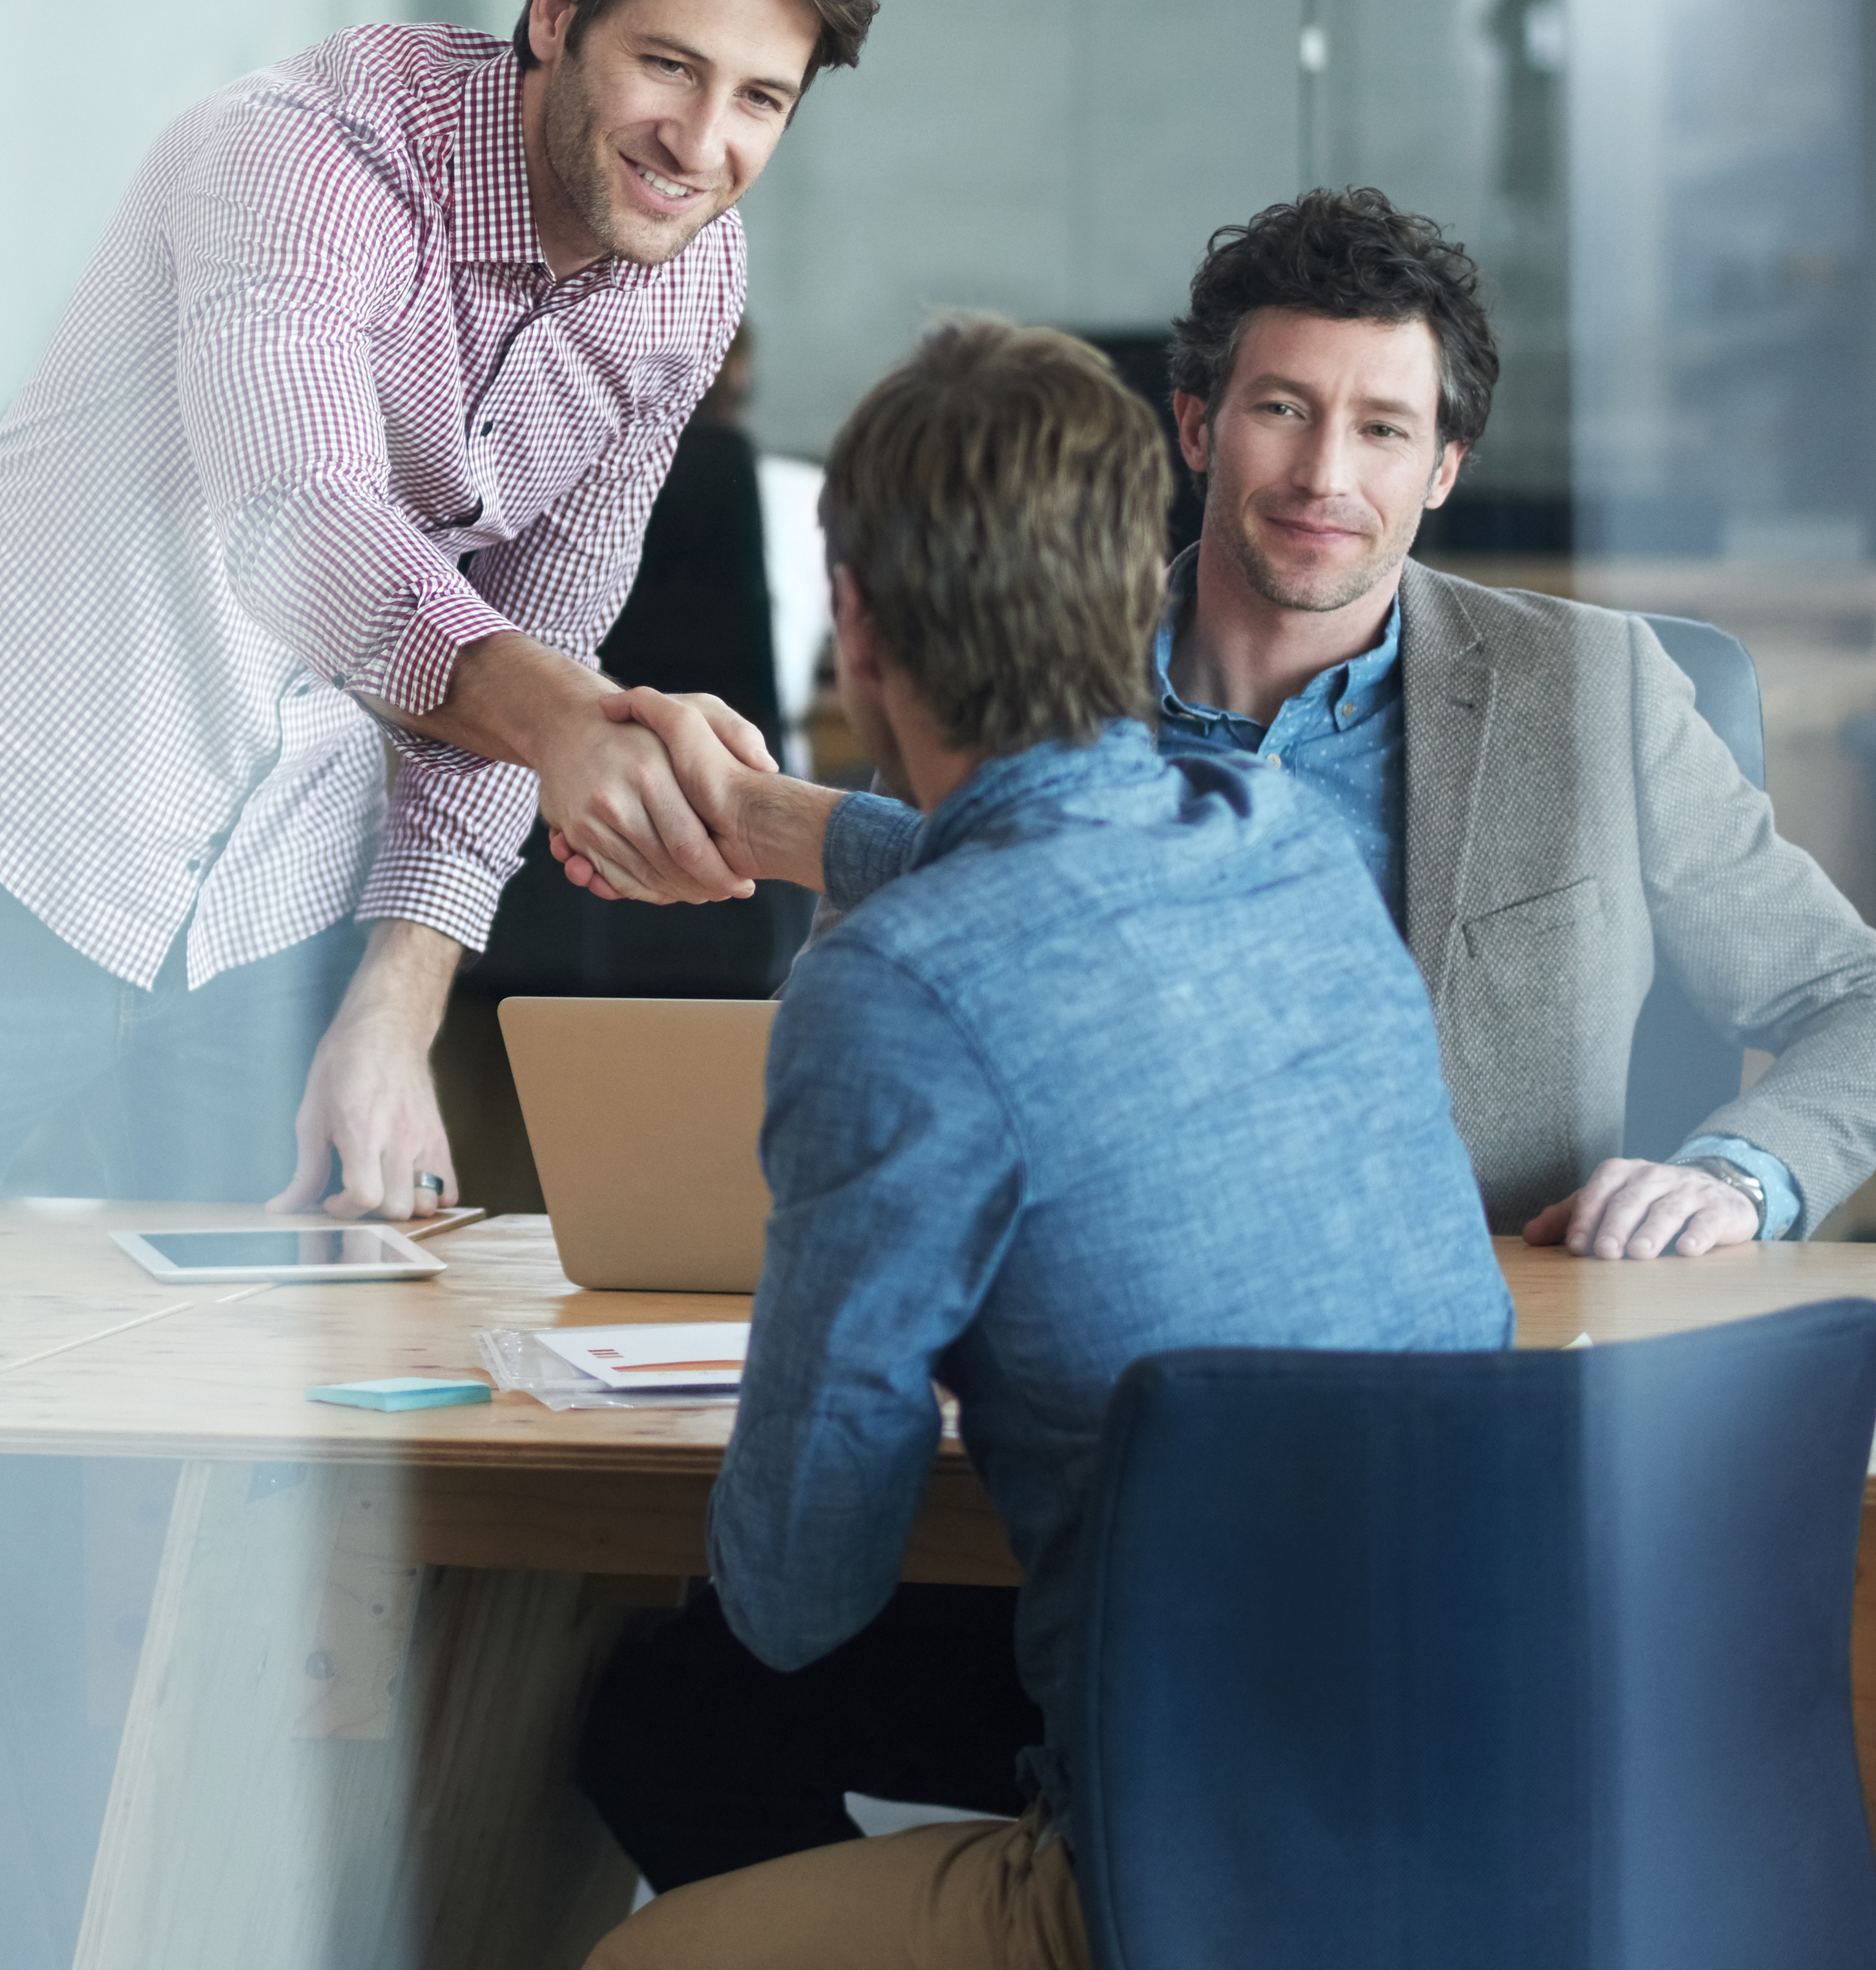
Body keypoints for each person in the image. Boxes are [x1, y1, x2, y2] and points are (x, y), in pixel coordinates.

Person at [572, 185, 1876, 1896]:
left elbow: (1852, 996)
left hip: (1461, 1464)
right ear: (1195, 426)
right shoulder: (1032, 642)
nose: (1328, 473)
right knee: (681, 1696)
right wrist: (779, 822)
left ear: (1444, 465)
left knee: (732, 1677)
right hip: (1123, 1467)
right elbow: (947, 972)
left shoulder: (1597, 696)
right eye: (1281, 407)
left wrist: (1742, 1171)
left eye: (1383, 426)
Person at [0, 0, 882, 1208]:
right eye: (668, 63)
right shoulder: (303, 155)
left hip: (274, 895)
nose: (700, 142)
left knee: (225, 1384)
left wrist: (395, 1009)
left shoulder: (689, 288)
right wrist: (568, 720)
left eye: (760, 98)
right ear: (558, 5)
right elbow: (299, 523)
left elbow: (534, 650)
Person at [583, 317, 1509, 1969]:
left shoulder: (895, 992)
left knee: (638, 1912)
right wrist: (800, 832)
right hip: (1481, 1749)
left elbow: (801, 1585)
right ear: (1133, 577)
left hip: (1217, 1845)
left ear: (852, 621)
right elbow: (1048, 852)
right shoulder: (1274, 834)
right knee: (668, 1717)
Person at [432, 324, 815, 1214]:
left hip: (526, 900)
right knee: (697, 1211)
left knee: (510, 1222)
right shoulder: (793, 496)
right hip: (727, 907)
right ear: (743, 373)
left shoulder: (504, 495)